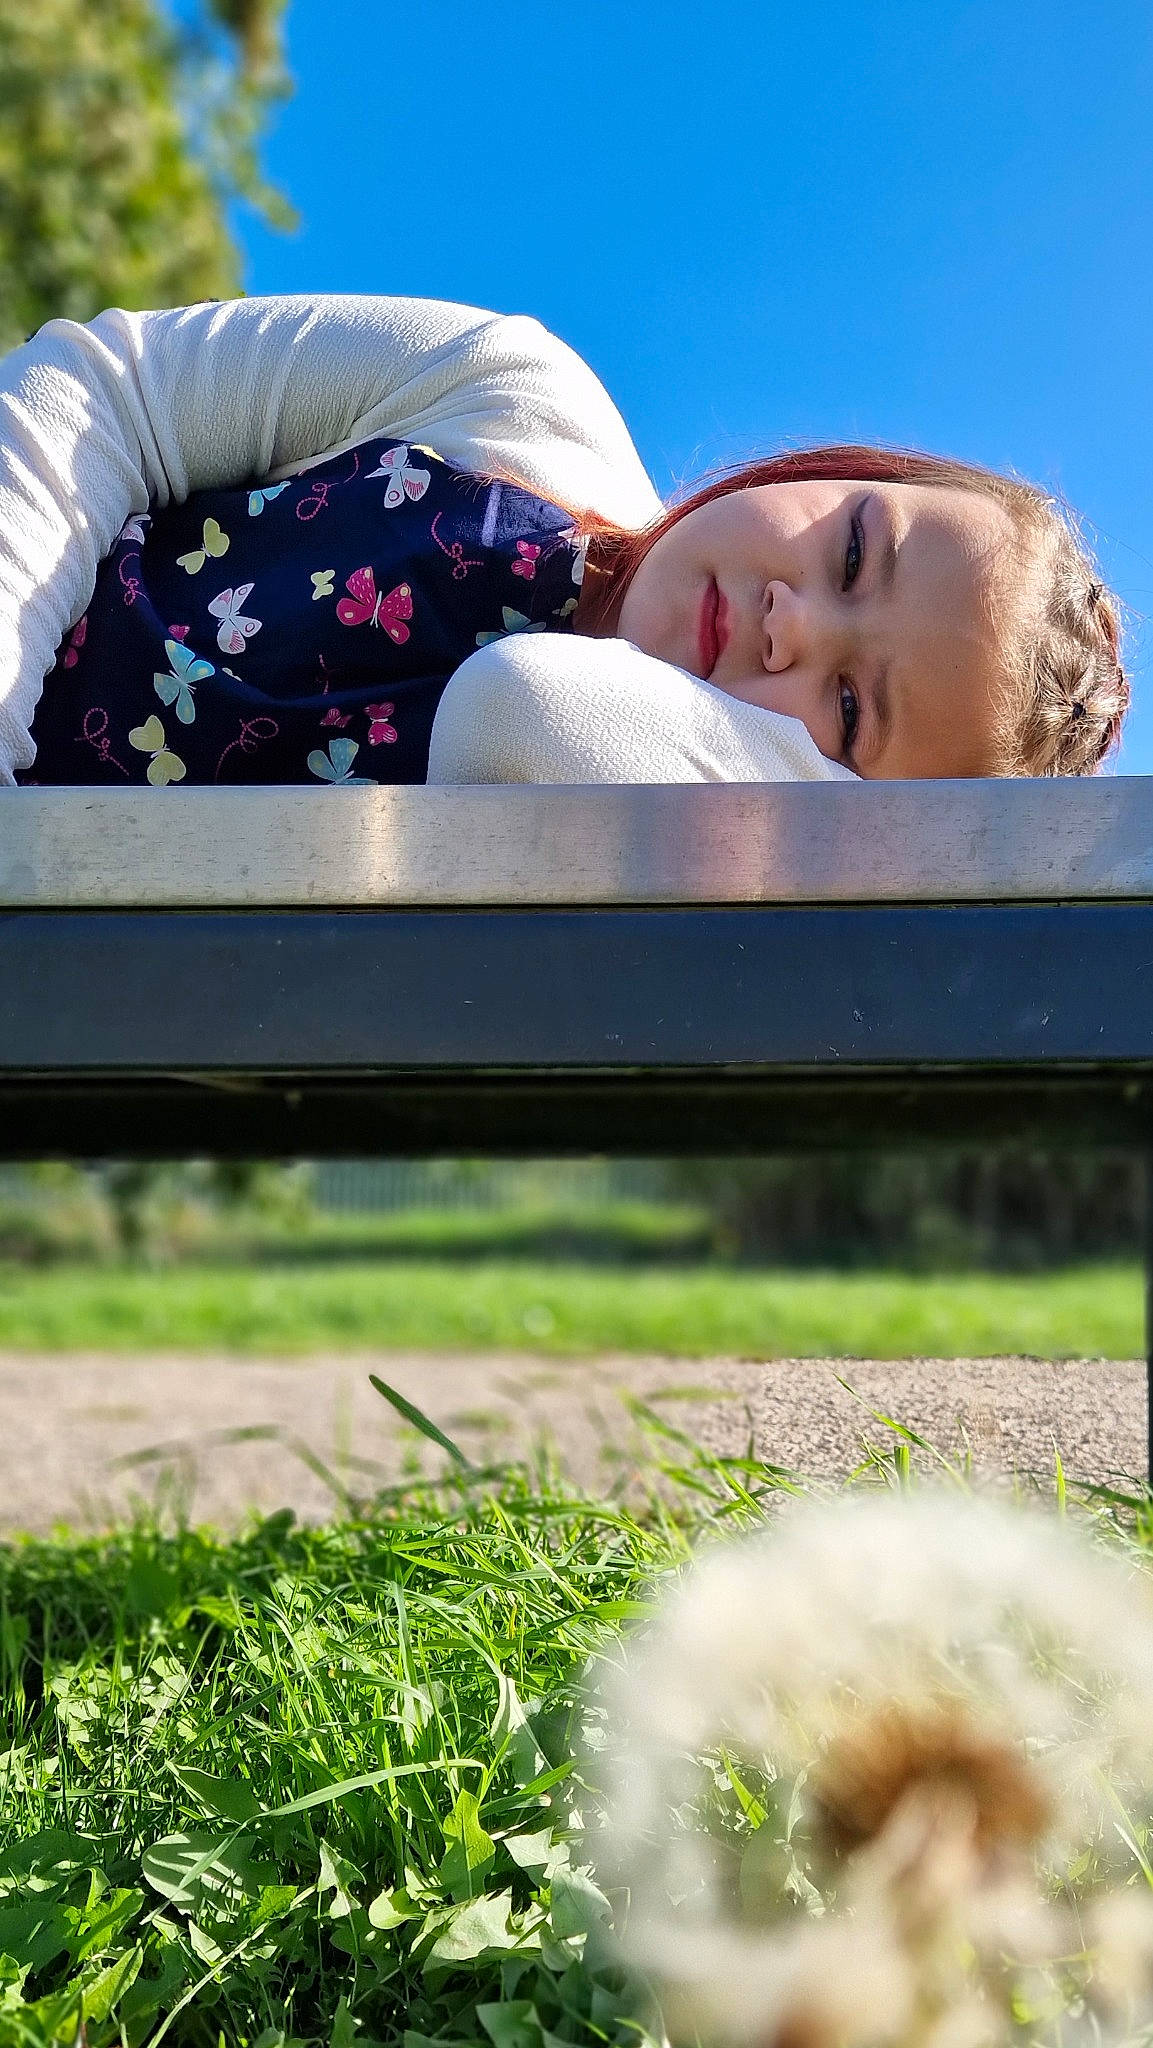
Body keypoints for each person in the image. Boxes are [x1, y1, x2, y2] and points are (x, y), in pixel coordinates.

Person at [0, 293, 1127, 789]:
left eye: (845, 711)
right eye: (848, 553)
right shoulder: (510, 393)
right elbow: (108, 391)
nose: (792, 624)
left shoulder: (639, 803)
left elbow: (523, 705)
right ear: (832, 473)